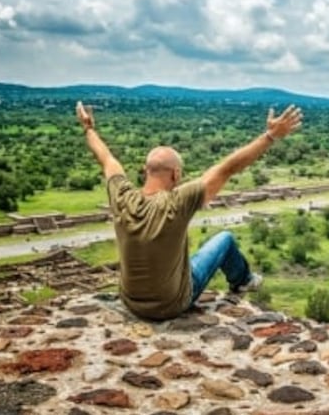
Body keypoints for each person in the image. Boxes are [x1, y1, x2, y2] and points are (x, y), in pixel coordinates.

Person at [76, 100, 303, 321]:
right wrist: (270, 136)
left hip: (131, 302)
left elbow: (106, 159)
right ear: (175, 174)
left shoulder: (122, 197)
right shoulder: (177, 202)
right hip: (172, 304)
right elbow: (227, 168)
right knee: (225, 240)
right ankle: (243, 280)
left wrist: (88, 128)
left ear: (146, 171)